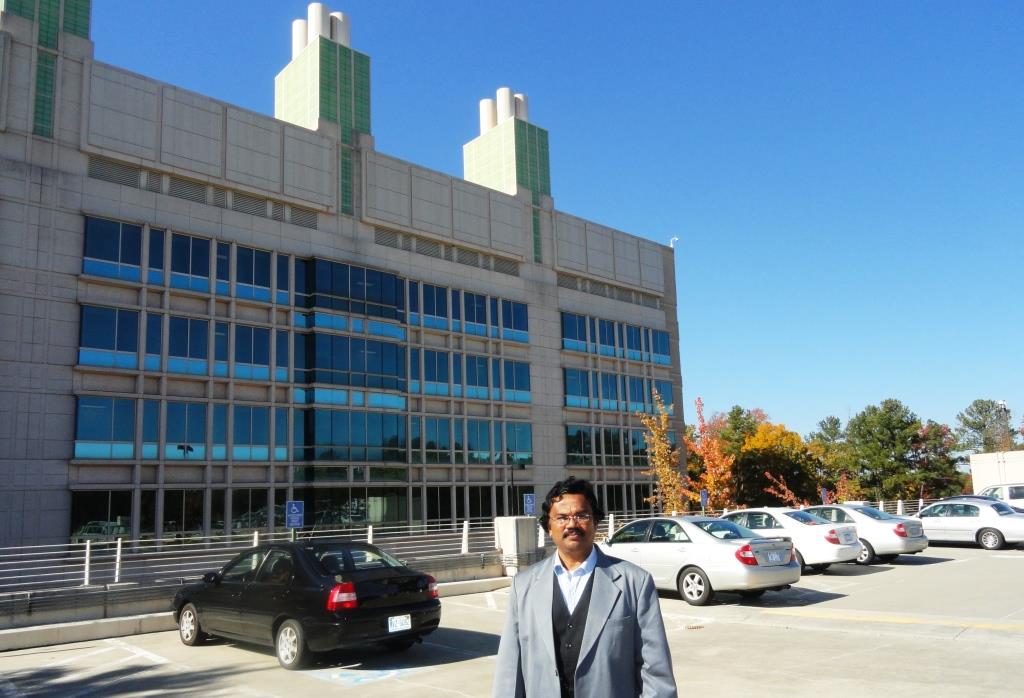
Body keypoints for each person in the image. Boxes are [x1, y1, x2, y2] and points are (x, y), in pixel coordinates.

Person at [493, 477, 677, 698]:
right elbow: (509, 672)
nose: (572, 524)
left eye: (581, 516)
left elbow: (655, 673)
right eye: (562, 517)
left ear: (595, 522)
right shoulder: (523, 586)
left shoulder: (635, 583)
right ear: (549, 527)